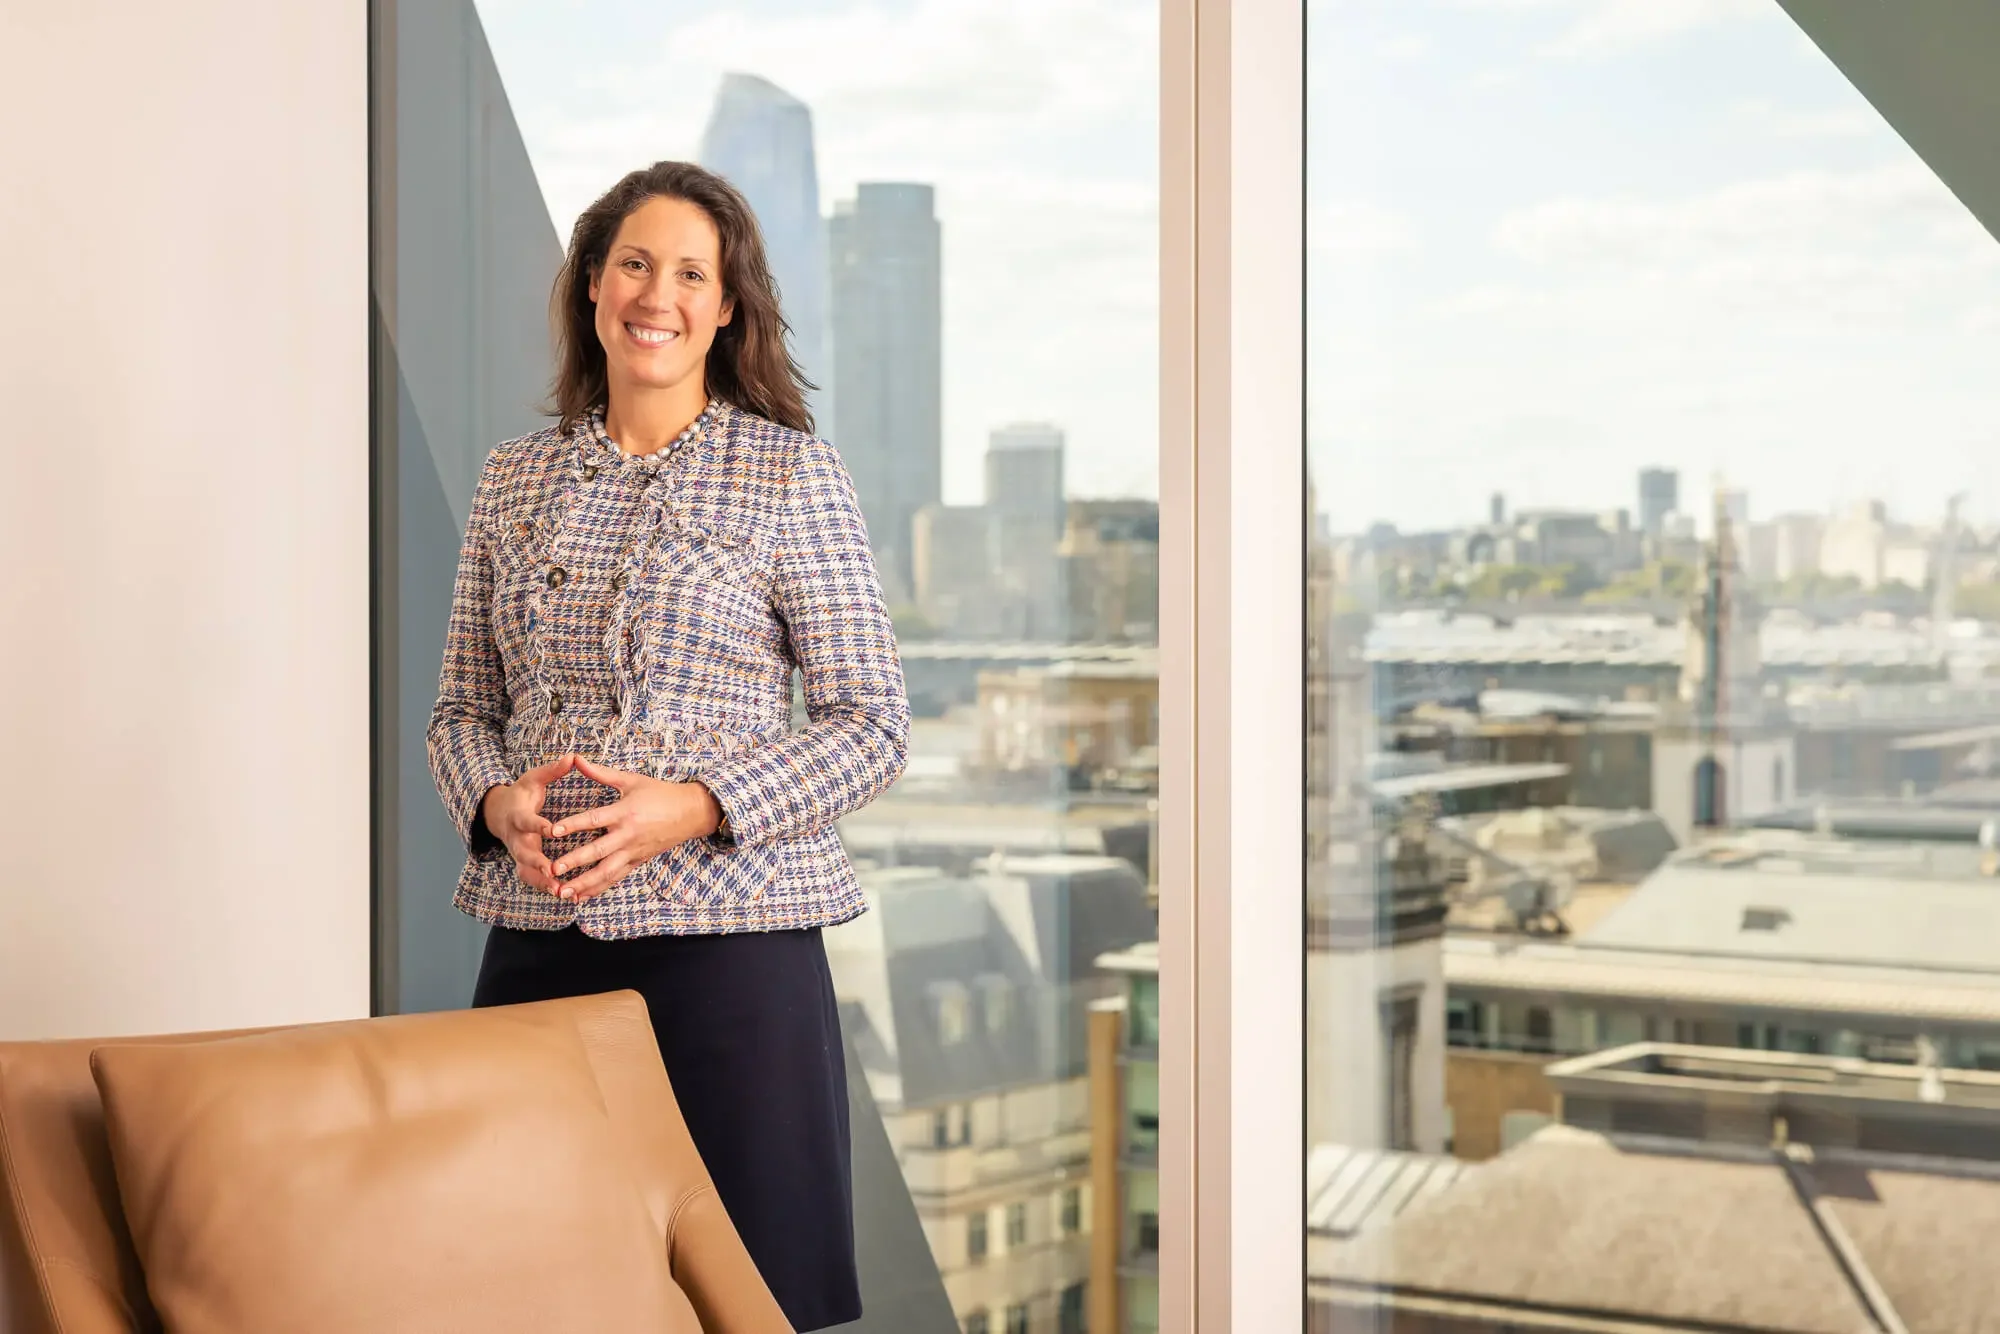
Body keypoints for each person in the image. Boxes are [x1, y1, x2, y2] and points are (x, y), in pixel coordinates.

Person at [426, 159, 908, 1332]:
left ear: (727, 304)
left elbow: (874, 726)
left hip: (735, 963)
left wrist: (690, 805)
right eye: (635, 263)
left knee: (747, 1299)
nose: (660, 293)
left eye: (692, 272)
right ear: (593, 284)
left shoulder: (792, 471)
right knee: (529, 1288)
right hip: (540, 946)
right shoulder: (513, 480)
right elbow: (458, 714)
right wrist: (495, 804)